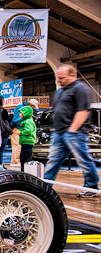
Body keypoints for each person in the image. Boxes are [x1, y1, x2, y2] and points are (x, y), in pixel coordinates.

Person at [43, 65, 100, 198]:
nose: (59, 80)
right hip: (60, 133)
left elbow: (83, 111)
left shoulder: (80, 89)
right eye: (58, 77)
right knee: (53, 160)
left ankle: (92, 186)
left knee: (83, 160)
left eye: (62, 78)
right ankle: (45, 186)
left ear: (72, 76)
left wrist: (72, 129)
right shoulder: (60, 91)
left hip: (75, 133)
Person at [10, 98, 39, 167]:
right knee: (17, 146)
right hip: (17, 129)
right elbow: (16, 120)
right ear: (31, 105)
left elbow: (28, 130)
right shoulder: (21, 109)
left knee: (24, 153)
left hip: (23, 135)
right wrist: (21, 128)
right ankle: (15, 162)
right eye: (33, 107)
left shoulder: (28, 120)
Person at [18, 105, 36, 171]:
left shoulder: (28, 121)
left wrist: (20, 132)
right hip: (25, 142)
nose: (19, 114)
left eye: (21, 113)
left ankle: (26, 171)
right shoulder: (26, 120)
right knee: (23, 157)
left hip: (27, 142)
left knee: (25, 158)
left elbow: (28, 131)